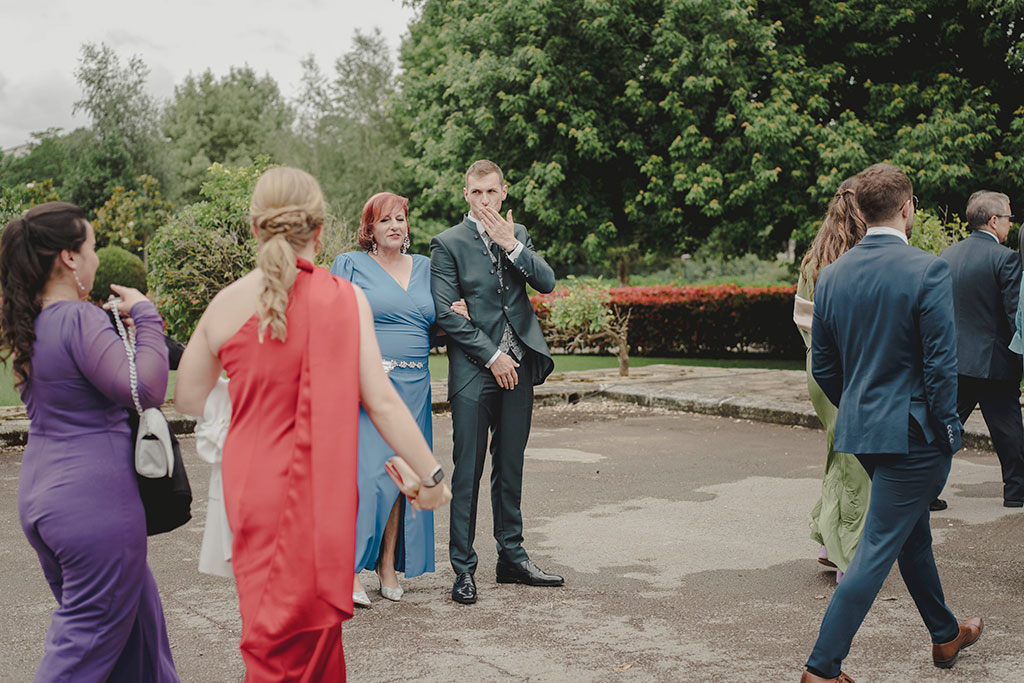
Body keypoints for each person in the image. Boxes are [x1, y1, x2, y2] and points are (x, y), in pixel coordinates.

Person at [174, 167, 451, 681]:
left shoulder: (227, 303)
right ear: (321, 232)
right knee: (321, 647)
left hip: (254, 488)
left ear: (255, 228)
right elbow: (385, 404)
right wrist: (433, 477)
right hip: (325, 494)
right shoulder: (345, 298)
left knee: (271, 645)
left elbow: (188, 396)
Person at [801, 163, 982, 682]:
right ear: (908, 208)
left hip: (866, 433)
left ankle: (946, 637)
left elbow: (825, 366)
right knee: (875, 552)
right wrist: (949, 432)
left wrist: (860, 406)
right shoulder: (927, 269)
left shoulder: (832, 274)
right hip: (915, 435)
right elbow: (941, 366)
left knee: (911, 537)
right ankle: (821, 670)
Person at [0, 202, 178, 681]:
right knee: (81, 650)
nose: (98, 257)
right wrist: (145, 314)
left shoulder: (30, 327)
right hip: (95, 506)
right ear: (70, 258)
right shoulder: (78, 320)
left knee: (141, 641)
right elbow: (144, 388)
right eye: (93, 247)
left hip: (43, 500)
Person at [430, 159, 563, 605]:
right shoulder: (446, 243)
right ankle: (463, 569)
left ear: (504, 192)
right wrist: (492, 355)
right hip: (474, 369)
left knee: (511, 465)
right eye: (476, 193)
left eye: (492, 192)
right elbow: (447, 312)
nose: (484, 200)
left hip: (521, 365)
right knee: (467, 470)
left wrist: (512, 246)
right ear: (465, 194)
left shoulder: (517, 233)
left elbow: (546, 283)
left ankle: (512, 558)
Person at [331, 192, 469, 606]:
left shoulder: (427, 268)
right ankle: (350, 568)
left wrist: (455, 318)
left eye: (400, 219)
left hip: (416, 384)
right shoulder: (350, 264)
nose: (394, 225)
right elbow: (333, 322)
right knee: (368, 477)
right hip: (369, 386)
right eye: (384, 220)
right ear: (369, 229)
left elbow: (433, 324)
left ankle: (388, 564)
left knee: (402, 480)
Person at [794, 178, 870, 583]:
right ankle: (848, 558)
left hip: (818, 371)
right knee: (855, 463)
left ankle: (827, 542)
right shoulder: (859, 261)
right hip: (851, 369)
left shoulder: (814, 260)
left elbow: (803, 323)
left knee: (838, 457)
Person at [938, 190, 1024, 508]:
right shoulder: (1005, 259)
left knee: (945, 426)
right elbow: (1015, 313)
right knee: (1008, 428)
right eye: (1008, 218)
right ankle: (1016, 491)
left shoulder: (947, 255)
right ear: (993, 220)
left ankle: (924, 490)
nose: (1010, 225)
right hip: (994, 362)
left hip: (953, 360)